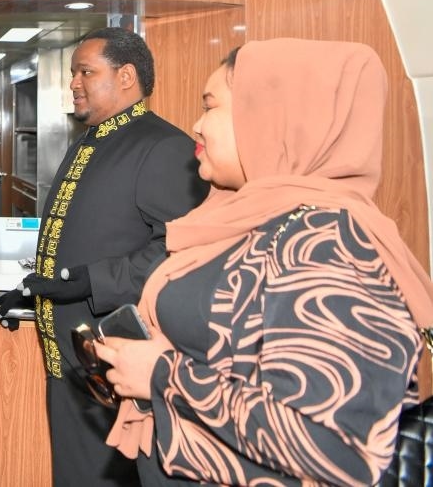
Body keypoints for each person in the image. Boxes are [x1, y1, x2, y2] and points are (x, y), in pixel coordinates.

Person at [93, 38, 433, 486]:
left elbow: (338, 449)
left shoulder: (325, 241)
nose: (197, 125)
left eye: (210, 106)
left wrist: (162, 374)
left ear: (271, 116)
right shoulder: (245, 219)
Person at [0, 27, 209, 486]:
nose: (74, 83)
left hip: (119, 362)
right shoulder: (91, 140)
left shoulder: (162, 147)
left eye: (85, 72)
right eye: (73, 73)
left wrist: (93, 281)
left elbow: (179, 250)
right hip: (74, 359)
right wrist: (39, 290)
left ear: (126, 76)